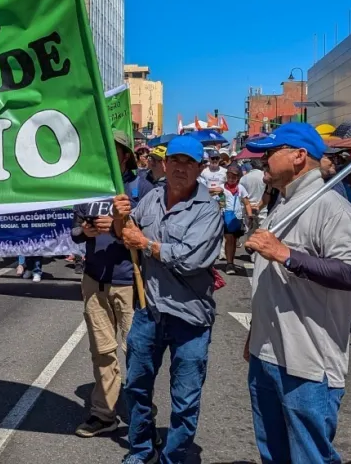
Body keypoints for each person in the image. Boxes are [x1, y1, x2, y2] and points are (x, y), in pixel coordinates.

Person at [242, 123, 351, 464]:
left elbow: (350, 273)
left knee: (310, 457)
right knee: (273, 454)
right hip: (267, 353)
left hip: (307, 363)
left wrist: (285, 254)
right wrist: (255, 332)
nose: (263, 160)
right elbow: (271, 280)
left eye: (271, 153)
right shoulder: (284, 202)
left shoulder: (332, 207)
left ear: (298, 156)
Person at [113, 135, 223, 464]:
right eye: (175, 160)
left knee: (185, 399)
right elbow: (128, 233)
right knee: (136, 386)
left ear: (200, 168)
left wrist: (145, 244)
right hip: (149, 311)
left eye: (189, 163)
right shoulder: (153, 197)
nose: (180, 168)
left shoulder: (208, 211)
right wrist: (120, 218)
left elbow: (191, 260)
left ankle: (172, 458)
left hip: (190, 318)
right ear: (165, 163)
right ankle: (141, 449)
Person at [71, 131, 147, 438]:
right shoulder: (88, 187)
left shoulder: (140, 187)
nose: (104, 154)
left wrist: (118, 224)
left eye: (111, 149)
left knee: (137, 351)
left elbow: (148, 234)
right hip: (94, 281)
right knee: (102, 351)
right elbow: (75, 229)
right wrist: (86, 231)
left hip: (130, 282)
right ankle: (104, 413)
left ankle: (142, 415)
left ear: (125, 155)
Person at [221, 165, 252, 275]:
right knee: (229, 239)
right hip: (224, 217)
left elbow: (246, 203)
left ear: (238, 177)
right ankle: (229, 263)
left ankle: (231, 262)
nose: (231, 179)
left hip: (237, 218)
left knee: (233, 240)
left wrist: (250, 216)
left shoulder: (241, 188)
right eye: (229, 176)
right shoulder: (221, 188)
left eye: (233, 177)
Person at [240, 159, 266, 229]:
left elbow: (241, 196)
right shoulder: (265, 176)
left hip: (248, 209)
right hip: (262, 208)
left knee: (250, 232)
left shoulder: (243, 178)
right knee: (263, 230)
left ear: (251, 166)